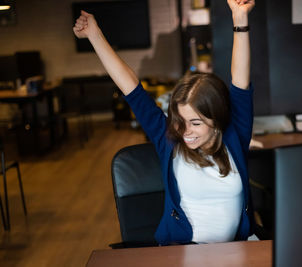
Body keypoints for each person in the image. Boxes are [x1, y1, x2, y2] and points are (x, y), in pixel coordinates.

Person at [73, 0, 256, 245]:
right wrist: (95, 35)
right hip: (182, 253)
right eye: (179, 121)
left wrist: (240, 19)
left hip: (236, 251)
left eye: (195, 123)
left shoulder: (234, 135)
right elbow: (132, 89)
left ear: (217, 119)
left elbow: (241, 80)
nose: (185, 132)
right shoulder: (169, 138)